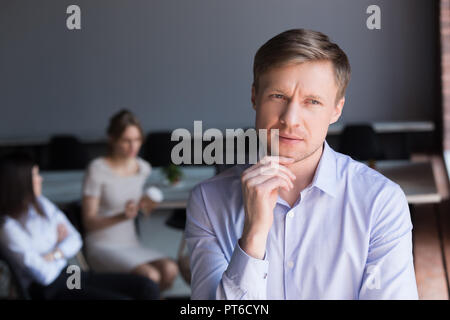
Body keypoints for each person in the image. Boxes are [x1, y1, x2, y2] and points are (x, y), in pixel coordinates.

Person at [185, 29, 419, 299]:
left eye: (312, 101)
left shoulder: (381, 202)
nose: (290, 119)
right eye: (278, 96)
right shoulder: (208, 201)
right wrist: (253, 238)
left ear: (336, 109)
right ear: (254, 97)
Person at [0, 153, 160, 300]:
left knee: (147, 286)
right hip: (49, 289)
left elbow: (75, 240)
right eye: (35, 175)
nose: (40, 179)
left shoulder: (41, 204)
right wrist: (59, 249)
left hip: (70, 274)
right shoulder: (8, 228)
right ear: (21, 182)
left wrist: (52, 254)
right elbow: (44, 275)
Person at [82, 109, 179, 292]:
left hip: (130, 243)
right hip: (102, 245)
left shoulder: (143, 168)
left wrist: (145, 206)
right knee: (151, 276)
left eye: (137, 140)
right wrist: (121, 216)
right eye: (126, 140)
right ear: (112, 139)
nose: (133, 146)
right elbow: (88, 222)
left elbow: (140, 208)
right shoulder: (97, 169)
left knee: (170, 269)